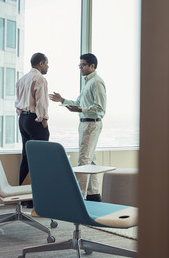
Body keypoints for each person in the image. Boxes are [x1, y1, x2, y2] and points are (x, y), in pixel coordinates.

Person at [49, 53, 106, 202]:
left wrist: (82, 110)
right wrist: (62, 100)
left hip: (91, 124)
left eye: (83, 65)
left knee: (83, 161)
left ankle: (79, 198)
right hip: (85, 123)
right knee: (90, 161)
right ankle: (94, 195)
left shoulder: (96, 82)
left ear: (92, 66)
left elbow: (100, 107)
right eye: (79, 65)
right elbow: (78, 102)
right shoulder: (87, 83)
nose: (80, 67)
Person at [15, 52, 50, 207]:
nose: (48, 67)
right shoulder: (39, 79)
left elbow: (17, 101)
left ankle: (24, 198)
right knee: (40, 160)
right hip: (34, 119)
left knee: (26, 158)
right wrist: (44, 122)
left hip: (22, 119)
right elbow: (41, 102)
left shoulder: (22, 79)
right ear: (41, 63)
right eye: (47, 64)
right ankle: (36, 200)